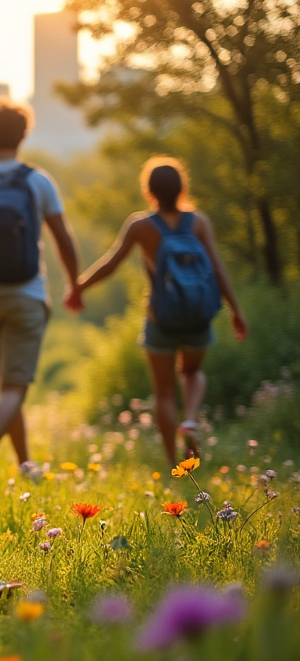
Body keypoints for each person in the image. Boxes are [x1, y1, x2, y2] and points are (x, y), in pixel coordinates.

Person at [0, 97, 83, 491]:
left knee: (9, 386)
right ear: (24, 134)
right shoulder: (38, 181)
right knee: (13, 388)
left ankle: (25, 465)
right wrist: (74, 283)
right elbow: (63, 238)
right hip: (26, 295)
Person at [70, 157, 248, 464]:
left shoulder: (141, 226)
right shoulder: (200, 222)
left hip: (160, 318)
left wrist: (79, 287)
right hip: (197, 315)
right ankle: (190, 420)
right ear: (182, 188)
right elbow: (218, 269)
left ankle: (173, 463)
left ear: (149, 190)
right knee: (192, 372)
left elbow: (111, 264)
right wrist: (236, 310)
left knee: (164, 393)